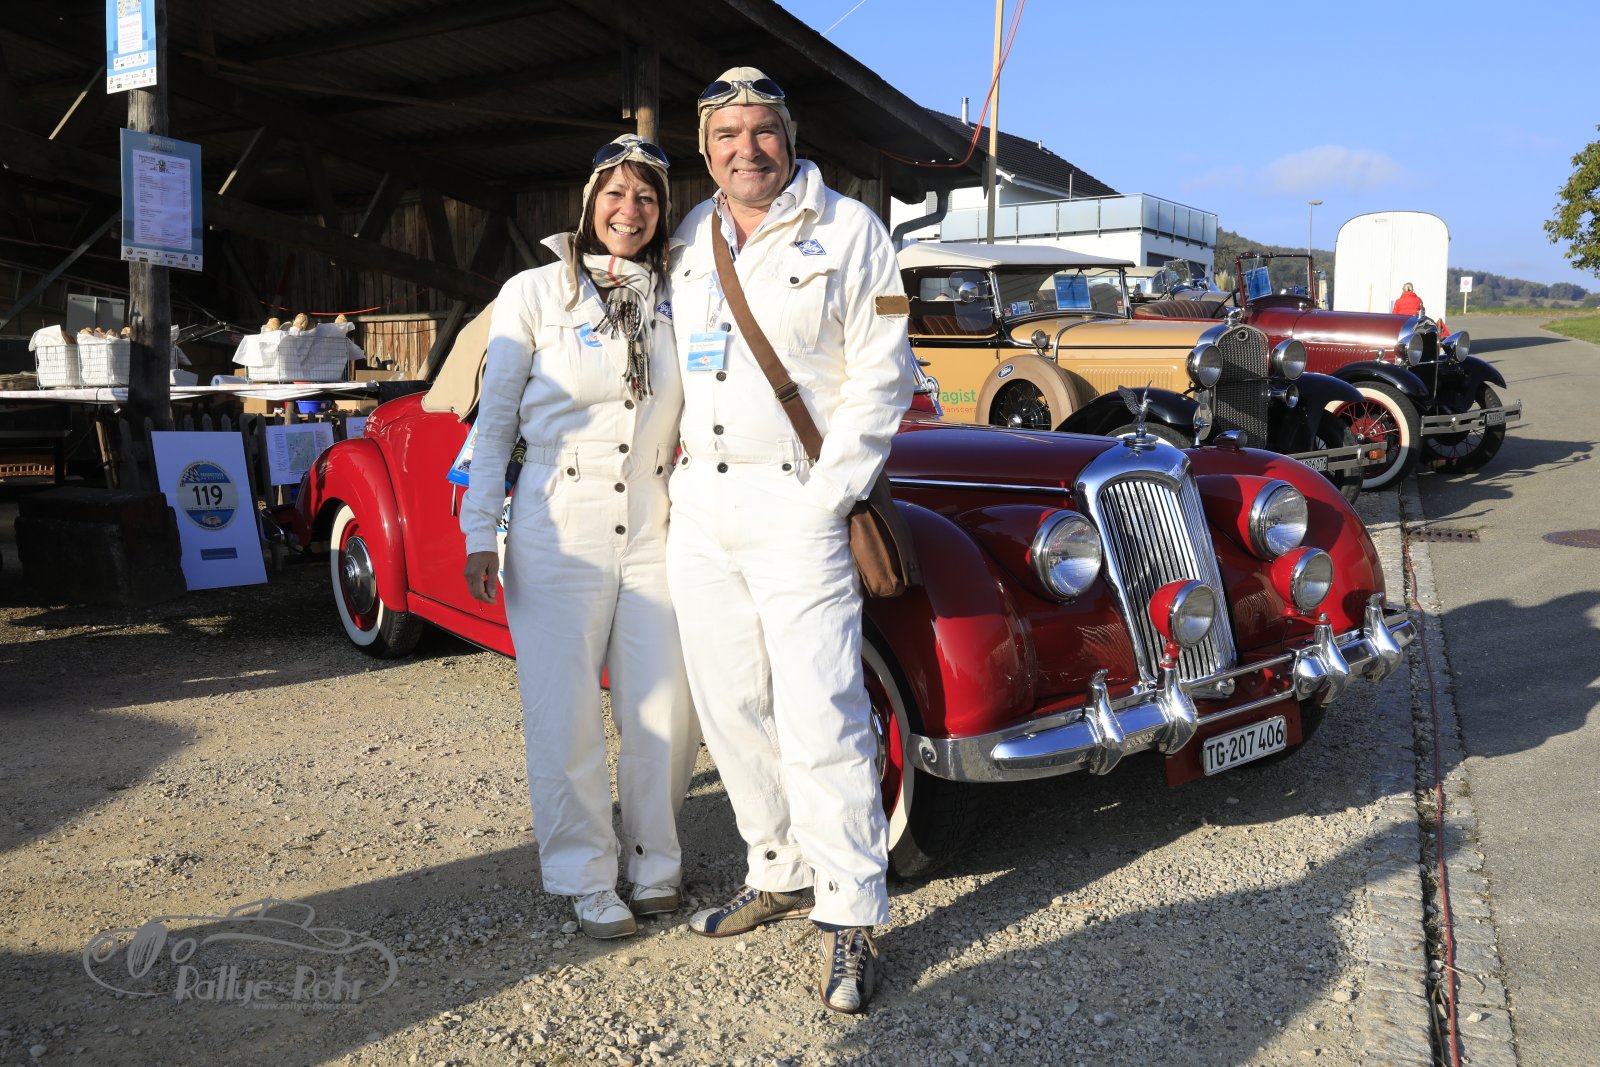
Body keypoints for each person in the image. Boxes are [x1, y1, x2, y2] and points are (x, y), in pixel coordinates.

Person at [664, 67, 916, 1014]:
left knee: (822, 711)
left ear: (790, 137)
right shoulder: (690, 236)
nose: (747, 149)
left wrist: (827, 497)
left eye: (762, 130)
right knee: (731, 704)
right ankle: (777, 867)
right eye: (727, 133)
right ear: (706, 149)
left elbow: (884, 374)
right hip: (703, 504)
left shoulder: (850, 230)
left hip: (797, 501)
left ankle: (850, 909)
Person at [460, 134, 698, 941]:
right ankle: (588, 875)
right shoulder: (532, 293)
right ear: (590, 201)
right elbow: (495, 423)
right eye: (616, 193)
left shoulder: (677, 297)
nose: (630, 210)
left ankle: (654, 859)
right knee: (563, 713)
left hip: (653, 520)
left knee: (666, 703)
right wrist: (479, 530)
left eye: (647, 197)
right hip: (558, 522)